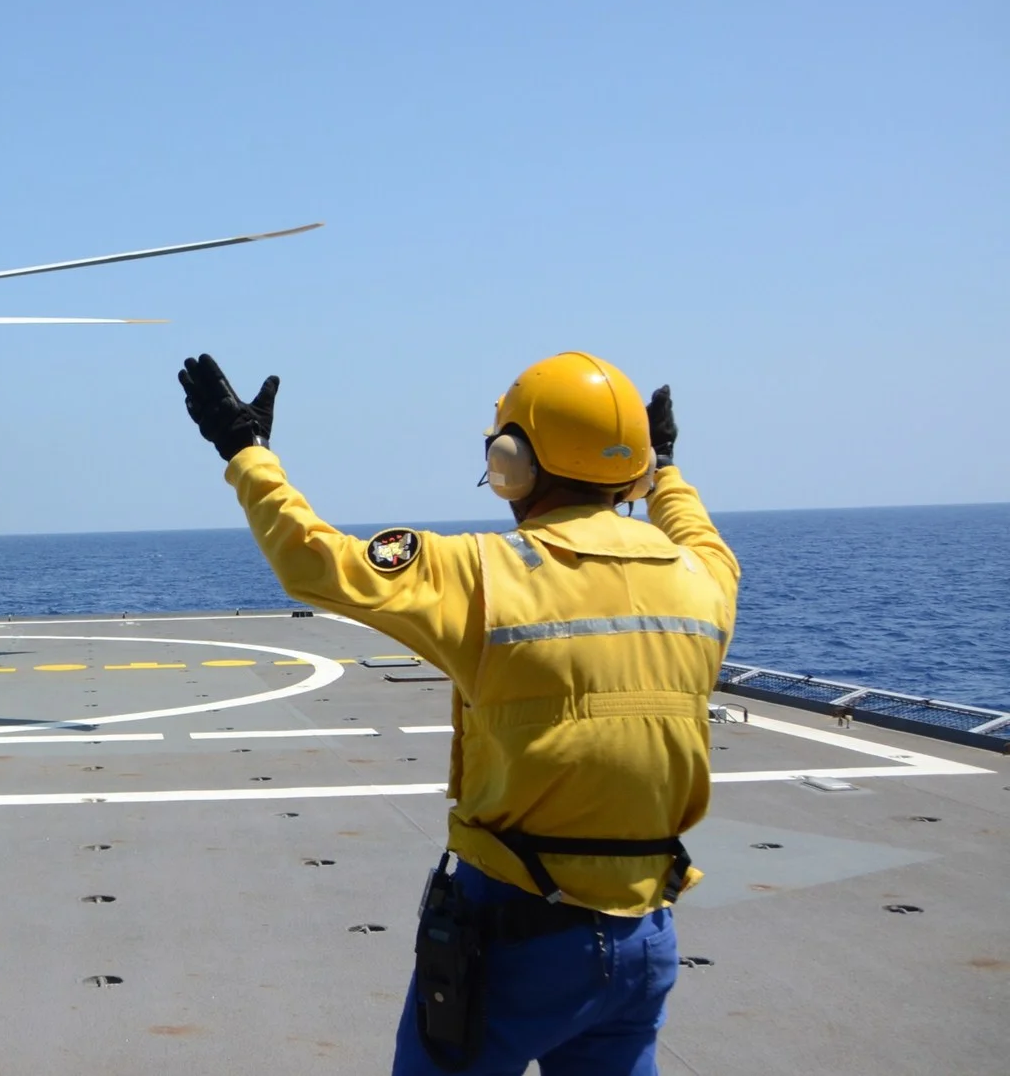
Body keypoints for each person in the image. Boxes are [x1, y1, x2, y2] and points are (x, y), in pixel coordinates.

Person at [179, 351, 739, 1075]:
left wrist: (246, 451)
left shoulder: (483, 572)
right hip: (645, 940)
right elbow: (695, 530)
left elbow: (313, 560)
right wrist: (665, 470)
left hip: (514, 939)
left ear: (510, 460)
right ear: (631, 469)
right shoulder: (703, 578)